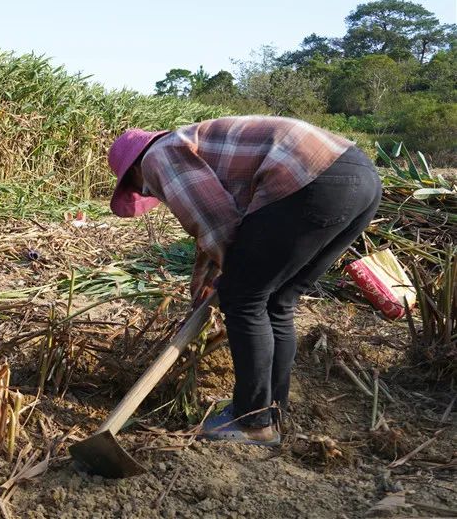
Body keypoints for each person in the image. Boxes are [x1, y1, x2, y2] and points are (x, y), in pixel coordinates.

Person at [108, 116, 382, 445]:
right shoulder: (192, 143)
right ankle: (270, 409)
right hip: (360, 177)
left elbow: (213, 219)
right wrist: (223, 276)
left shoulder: (158, 155)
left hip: (313, 177)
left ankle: (253, 421)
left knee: (244, 298)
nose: (144, 191)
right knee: (278, 300)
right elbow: (230, 225)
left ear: (134, 168)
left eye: (137, 187)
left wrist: (232, 279)